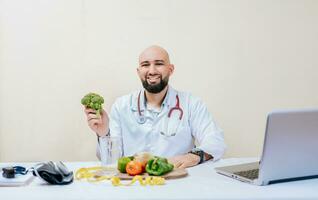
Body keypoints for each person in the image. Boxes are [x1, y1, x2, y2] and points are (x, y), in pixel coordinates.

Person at [84, 45, 226, 168]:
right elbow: (112, 161)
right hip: (134, 183)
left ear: (171, 69)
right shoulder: (121, 106)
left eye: (159, 63)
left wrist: (193, 156)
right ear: (138, 71)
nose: (152, 71)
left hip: (178, 183)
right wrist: (103, 134)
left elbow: (216, 141)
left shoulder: (191, 103)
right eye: (145, 65)